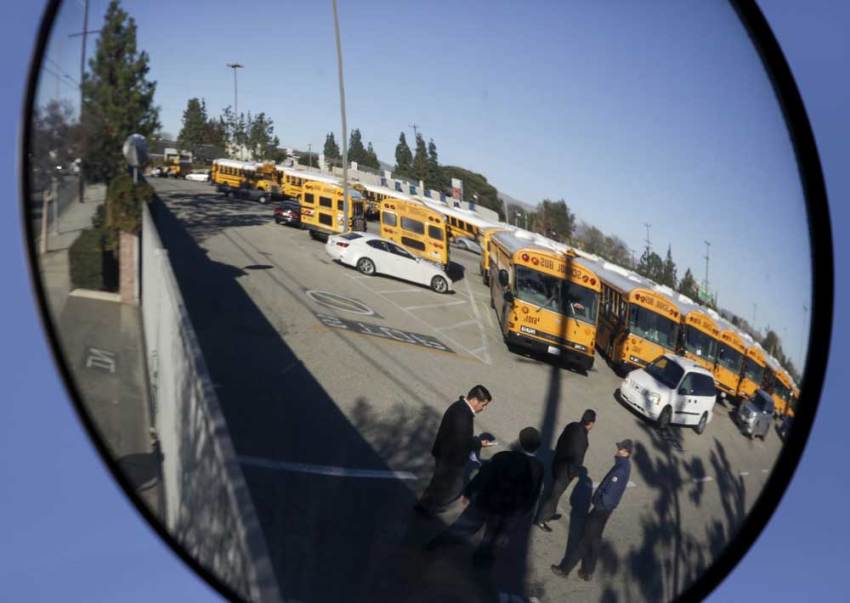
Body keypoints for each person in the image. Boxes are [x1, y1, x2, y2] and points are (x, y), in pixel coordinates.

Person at [426, 427, 544, 566]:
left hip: (485, 501)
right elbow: (533, 494)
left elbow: (483, 475)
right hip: (507, 512)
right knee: (492, 538)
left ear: (521, 441)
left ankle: (438, 543)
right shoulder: (538, 468)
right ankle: (480, 562)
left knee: (463, 527)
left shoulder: (503, 457)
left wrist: (469, 492)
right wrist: (522, 512)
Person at [550, 439, 633, 582]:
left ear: (627, 452)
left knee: (585, 541)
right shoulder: (623, 465)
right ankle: (587, 571)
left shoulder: (620, 469)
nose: (617, 450)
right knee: (594, 541)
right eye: (618, 448)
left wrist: (599, 502)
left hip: (601, 510)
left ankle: (565, 569)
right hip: (604, 511)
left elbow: (610, 494)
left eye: (621, 449)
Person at [415, 385, 494, 516]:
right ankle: (429, 509)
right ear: (475, 400)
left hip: (443, 451)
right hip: (450, 457)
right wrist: (479, 443)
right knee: (449, 487)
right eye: (484, 404)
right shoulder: (464, 415)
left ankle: (424, 505)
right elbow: (463, 441)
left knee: (437, 483)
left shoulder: (459, 406)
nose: (484, 409)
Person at [535, 409, 596, 532]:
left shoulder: (572, 425)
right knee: (554, 495)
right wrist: (572, 474)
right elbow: (577, 459)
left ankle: (549, 513)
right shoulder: (583, 439)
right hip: (565, 472)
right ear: (591, 423)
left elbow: (560, 440)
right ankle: (542, 519)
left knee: (553, 492)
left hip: (558, 463)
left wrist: (557, 456)